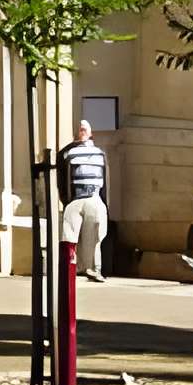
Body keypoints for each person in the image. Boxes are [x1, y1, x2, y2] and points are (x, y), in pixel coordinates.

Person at [58, 119, 109, 283]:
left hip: (94, 196)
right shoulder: (69, 153)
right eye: (80, 128)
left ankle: (93, 269)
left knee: (94, 235)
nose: (82, 130)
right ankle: (71, 268)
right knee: (69, 234)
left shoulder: (99, 153)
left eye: (85, 128)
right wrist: (66, 200)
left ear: (91, 133)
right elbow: (61, 173)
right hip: (75, 198)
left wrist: (104, 203)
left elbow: (106, 180)